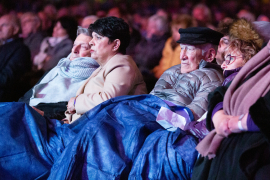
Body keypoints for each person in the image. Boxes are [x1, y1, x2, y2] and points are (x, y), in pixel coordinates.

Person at [192, 22, 270, 180]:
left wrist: (238, 123)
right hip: (226, 150)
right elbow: (221, 94)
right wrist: (219, 116)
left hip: (248, 156)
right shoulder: (262, 60)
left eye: (231, 58)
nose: (224, 65)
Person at [65, 16, 147, 123]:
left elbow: (109, 99)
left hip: (101, 132)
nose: (91, 42)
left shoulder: (122, 63)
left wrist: (76, 103)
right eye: (93, 37)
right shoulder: (106, 65)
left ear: (116, 44)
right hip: (85, 128)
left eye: (98, 38)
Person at [18, 27, 99, 119]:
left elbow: (73, 113)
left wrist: (44, 114)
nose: (74, 50)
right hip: (25, 114)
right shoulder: (59, 68)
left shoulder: (95, 79)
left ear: (95, 52)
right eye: (74, 45)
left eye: (83, 47)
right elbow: (28, 97)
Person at [150, 27, 224, 120]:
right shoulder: (172, 70)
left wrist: (151, 115)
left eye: (189, 49)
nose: (182, 56)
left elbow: (186, 119)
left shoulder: (212, 80)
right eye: (181, 48)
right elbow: (149, 99)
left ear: (210, 55)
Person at [152, 14, 196, 79]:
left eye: (177, 31)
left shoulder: (189, 47)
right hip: (162, 77)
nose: (174, 33)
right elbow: (163, 61)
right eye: (173, 30)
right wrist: (157, 72)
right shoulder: (169, 42)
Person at [0, 14, 31, 102]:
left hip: (6, 100)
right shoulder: (3, 47)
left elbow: (7, 79)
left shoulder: (21, 49)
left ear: (15, 29)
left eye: (4, 25)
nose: (0, 29)